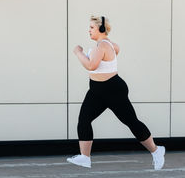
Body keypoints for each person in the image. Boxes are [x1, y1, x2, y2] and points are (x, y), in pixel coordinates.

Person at [67, 15, 165, 170]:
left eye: (92, 27)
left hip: (113, 90)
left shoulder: (103, 46)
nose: (89, 30)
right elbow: (110, 56)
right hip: (96, 90)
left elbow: (92, 66)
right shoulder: (106, 45)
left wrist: (78, 52)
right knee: (84, 120)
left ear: (101, 29)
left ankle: (156, 150)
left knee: (131, 122)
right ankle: (85, 157)